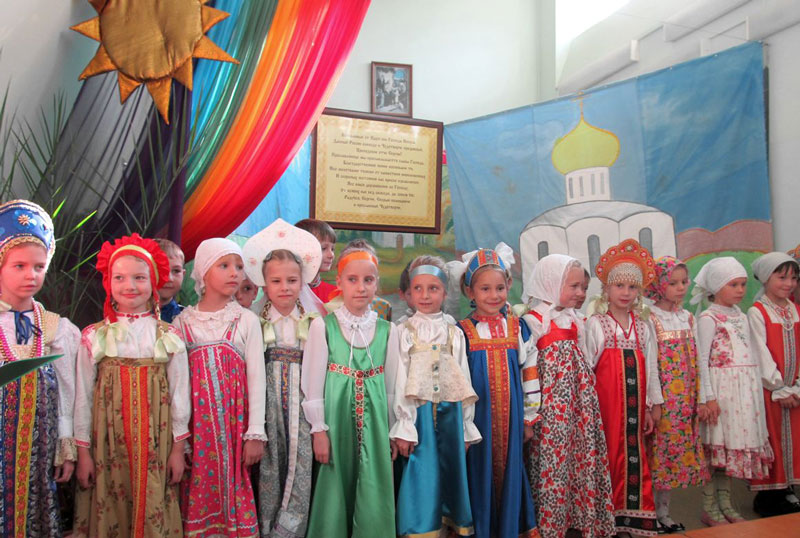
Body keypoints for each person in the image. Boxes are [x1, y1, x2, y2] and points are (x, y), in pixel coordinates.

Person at [73, 234, 189, 537]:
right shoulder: (94, 336)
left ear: (154, 281)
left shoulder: (168, 336)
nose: (130, 285)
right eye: (120, 277)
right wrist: (83, 453)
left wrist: (178, 450)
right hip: (107, 443)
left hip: (157, 442)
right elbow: (82, 398)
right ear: (108, 282)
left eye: (139, 277)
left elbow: (180, 395)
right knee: (111, 501)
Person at [301, 242, 399, 537]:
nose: (361, 287)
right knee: (335, 487)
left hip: (376, 428)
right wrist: (318, 430)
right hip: (336, 425)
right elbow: (313, 387)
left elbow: (391, 388)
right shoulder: (323, 327)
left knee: (373, 487)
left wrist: (392, 429)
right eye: (352, 279)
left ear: (377, 283)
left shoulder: (388, 331)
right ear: (339, 282)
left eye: (368, 280)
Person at [173, 238, 266, 538]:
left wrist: (255, 432)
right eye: (224, 265)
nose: (235, 273)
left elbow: (257, 379)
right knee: (197, 486)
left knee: (234, 485)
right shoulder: (182, 324)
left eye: (239, 266)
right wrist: (180, 439)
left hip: (235, 430)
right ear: (203, 271)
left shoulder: (246, 320)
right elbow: (177, 385)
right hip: (197, 431)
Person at [0, 200, 80, 537]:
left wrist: (66, 445)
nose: (30, 275)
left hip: (38, 456)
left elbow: (68, 393)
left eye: (39, 266)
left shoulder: (56, 329)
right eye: (19, 266)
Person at [521, 254, 615, 538]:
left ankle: (579, 518)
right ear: (550, 283)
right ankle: (550, 523)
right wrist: (530, 412)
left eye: (583, 287)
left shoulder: (576, 319)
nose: (581, 293)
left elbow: (585, 356)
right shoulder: (534, 320)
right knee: (553, 459)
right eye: (574, 286)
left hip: (579, 402)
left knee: (579, 455)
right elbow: (527, 368)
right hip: (550, 406)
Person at [241, 219, 322, 537]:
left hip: (302, 403)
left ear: (303, 281)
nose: (285, 287)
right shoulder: (255, 321)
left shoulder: (313, 321)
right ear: (264, 284)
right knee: (271, 465)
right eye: (276, 281)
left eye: (292, 280)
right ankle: (267, 526)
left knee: (300, 464)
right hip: (269, 404)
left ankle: (292, 530)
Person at [391, 255, 481, 537]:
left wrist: (465, 426)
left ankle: (447, 528)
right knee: (422, 474)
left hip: (451, 415)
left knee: (450, 474)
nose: (425, 295)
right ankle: (420, 528)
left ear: (445, 293)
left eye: (433, 288)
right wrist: (403, 424)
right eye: (418, 288)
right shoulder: (403, 332)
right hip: (418, 417)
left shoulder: (454, 333)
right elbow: (399, 378)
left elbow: (463, 378)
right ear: (409, 292)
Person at [456, 243, 540, 538]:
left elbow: (530, 372)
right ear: (470, 292)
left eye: (500, 288)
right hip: (477, 420)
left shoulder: (518, 327)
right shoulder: (462, 331)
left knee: (511, 467)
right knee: (478, 469)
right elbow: (459, 381)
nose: (494, 295)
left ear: (509, 286)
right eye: (485, 289)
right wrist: (462, 425)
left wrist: (529, 417)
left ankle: (508, 528)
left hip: (512, 418)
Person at [585, 238, 663, 537]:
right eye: (619, 286)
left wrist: (653, 405)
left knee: (635, 457)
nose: (626, 292)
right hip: (606, 410)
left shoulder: (644, 327)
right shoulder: (596, 324)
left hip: (636, 410)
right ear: (606, 289)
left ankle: (632, 517)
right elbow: (588, 370)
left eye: (632, 287)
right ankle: (607, 519)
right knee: (608, 458)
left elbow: (652, 368)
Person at [691, 256, 773, 526]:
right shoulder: (708, 318)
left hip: (742, 395)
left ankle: (726, 504)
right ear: (716, 287)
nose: (740, 290)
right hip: (721, 394)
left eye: (743, 284)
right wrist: (708, 397)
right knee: (715, 452)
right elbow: (702, 359)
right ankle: (708, 506)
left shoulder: (742, 315)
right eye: (733, 284)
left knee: (727, 454)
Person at [645, 256, 709, 534]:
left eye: (684, 282)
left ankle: (665, 513)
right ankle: (650, 515)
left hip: (686, 402)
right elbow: (651, 364)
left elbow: (699, 360)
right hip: (665, 403)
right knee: (658, 458)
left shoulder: (688, 318)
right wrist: (655, 402)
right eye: (673, 283)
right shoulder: (650, 319)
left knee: (675, 461)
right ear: (658, 285)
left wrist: (703, 398)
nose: (681, 288)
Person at [747, 252, 800, 516]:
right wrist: (779, 387)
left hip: (795, 392)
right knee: (773, 441)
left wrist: (797, 386)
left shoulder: (795, 310)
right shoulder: (757, 312)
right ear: (767, 278)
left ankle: (788, 489)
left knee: (795, 441)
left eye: (794, 278)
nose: (789, 284)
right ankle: (769, 496)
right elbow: (760, 353)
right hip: (771, 392)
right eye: (782, 277)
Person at [294, 219, 337, 303]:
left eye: (332, 249)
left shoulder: (335, 294)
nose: (331, 255)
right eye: (323, 248)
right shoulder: (286, 293)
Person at [154, 238, 185, 323]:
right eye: (161, 270)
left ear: (183, 274)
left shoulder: (188, 318)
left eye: (176, 271)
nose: (169, 278)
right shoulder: (126, 317)